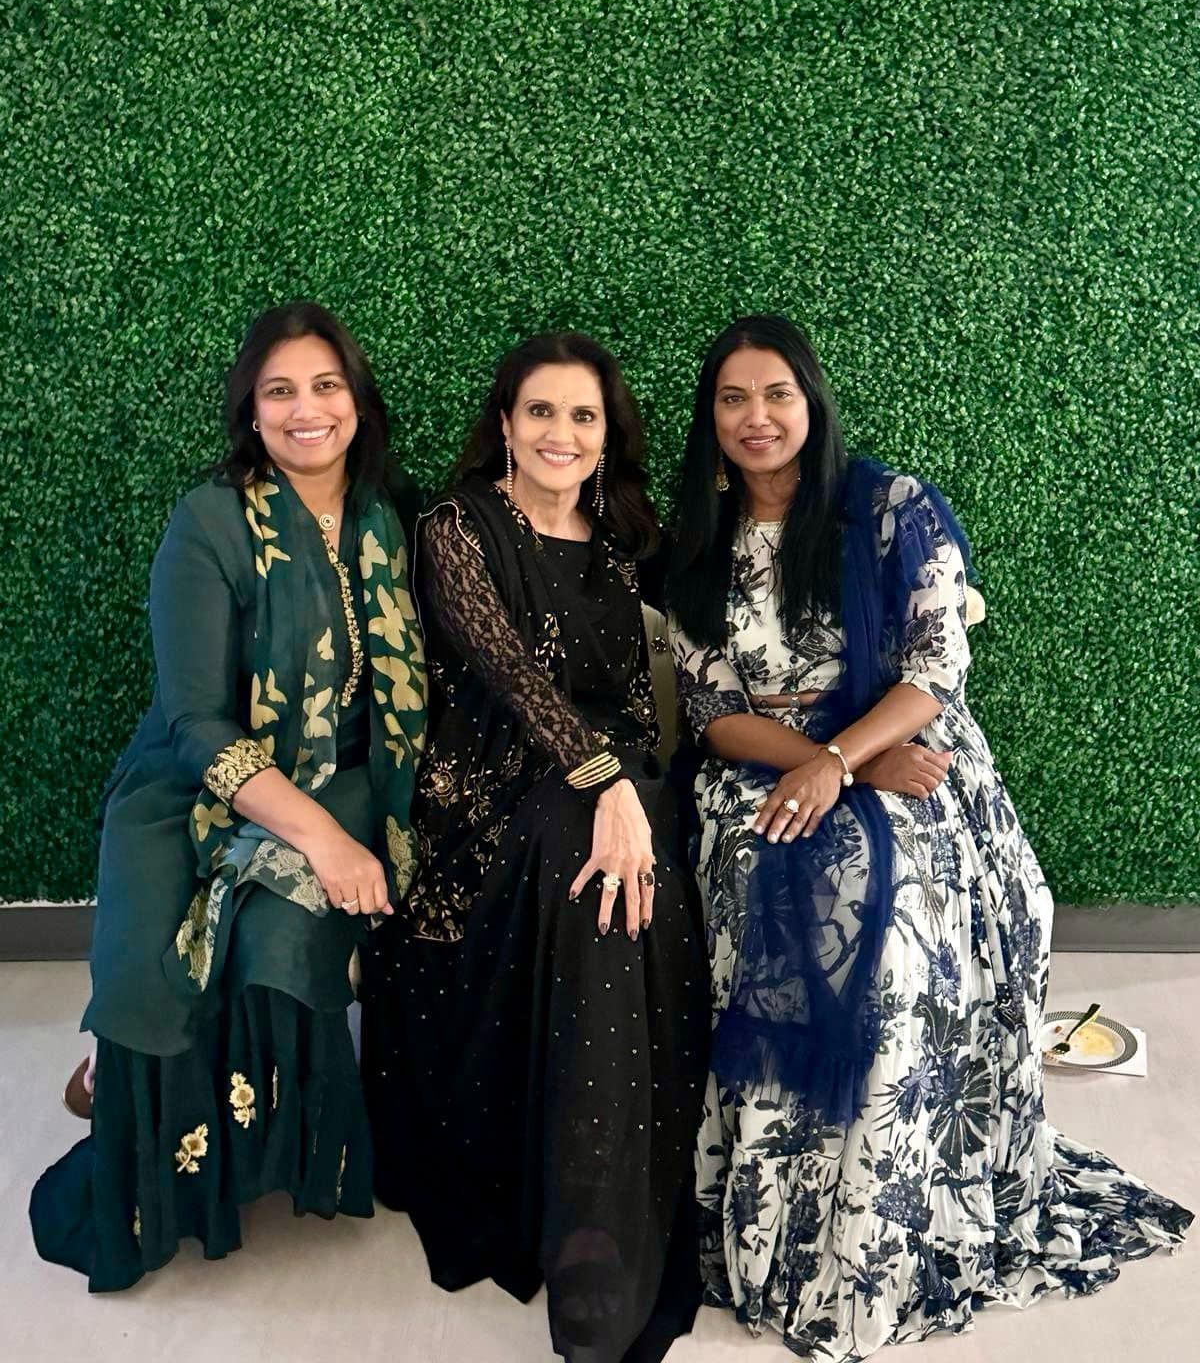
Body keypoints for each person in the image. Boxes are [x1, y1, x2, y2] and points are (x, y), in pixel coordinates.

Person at [666, 314, 1191, 1359]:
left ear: (811, 402)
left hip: (905, 749)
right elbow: (709, 709)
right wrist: (810, 762)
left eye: (777, 394)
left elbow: (934, 669)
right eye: (733, 399)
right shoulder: (693, 541)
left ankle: (895, 1223)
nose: (758, 417)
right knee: (778, 896)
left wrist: (846, 758)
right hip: (760, 768)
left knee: (902, 931)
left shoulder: (893, 509)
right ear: (710, 418)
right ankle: (792, 1228)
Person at [30, 301, 427, 1291]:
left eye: (326, 386)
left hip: (338, 777)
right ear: (250, 413)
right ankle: (126, 1101)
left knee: (274, 942)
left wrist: (367, 823)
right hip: (187, 786)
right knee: (144, 974)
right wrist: (328, 847)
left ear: (356, 401)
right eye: (279, 391)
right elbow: (196, 720)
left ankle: (270, 1159)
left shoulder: (386, 519)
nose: (306, 410)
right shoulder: (208, 520)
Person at [360, 332, 708, 1363]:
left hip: (614, 784)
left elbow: (662, 685)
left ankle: (617, 1207)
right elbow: (509, 674)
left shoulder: (623, 538)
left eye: (584, 416)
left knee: (630, 873)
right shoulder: (457, 528)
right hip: (487, 799)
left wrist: (632, 783)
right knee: (598, 873)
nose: (562, 433)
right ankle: (591, 1258)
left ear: (608, 437)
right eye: (542, 412)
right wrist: (604, 783)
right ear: (504, 424)